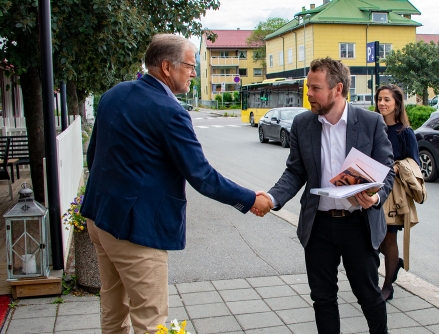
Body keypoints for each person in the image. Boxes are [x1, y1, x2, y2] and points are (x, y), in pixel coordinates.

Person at [80, 33, 272, 334]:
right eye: (189, 66)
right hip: (135, 232)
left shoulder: (114, 94)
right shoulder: (171, 112)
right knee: (151, 321)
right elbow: (202, 176)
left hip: (100, 219)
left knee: (113, 311)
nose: (194, 73)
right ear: (167, 67)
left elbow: (94, 157)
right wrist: (250, 200)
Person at [261, 57, 395, 334]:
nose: (308, 93)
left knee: (368, 295)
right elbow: (295, 172)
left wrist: (376, 197)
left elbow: (387, 173)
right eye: (308, 87)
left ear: (337, 89)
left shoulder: (369, 123)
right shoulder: (302, 124)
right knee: (322, 298)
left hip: (358, 223)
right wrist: (272, 198)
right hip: (319, 225)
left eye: (315, 88)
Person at [374, 84, 420, 301]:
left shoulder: (405, 132)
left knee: (389, 239)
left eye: (386, 100)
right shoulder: (373, 126)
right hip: (372, 187)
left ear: (397, 104)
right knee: (374, 238)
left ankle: (387, 286)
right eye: (379, 99)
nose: (381, 103)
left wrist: (396, 166)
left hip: (393, 194)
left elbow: (415, 164)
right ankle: (394, 264)